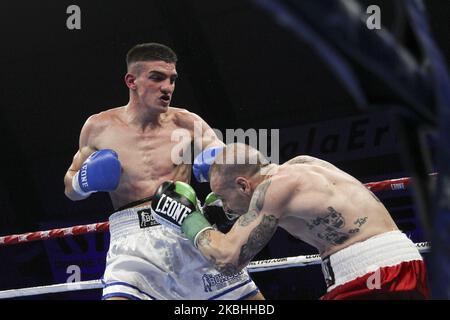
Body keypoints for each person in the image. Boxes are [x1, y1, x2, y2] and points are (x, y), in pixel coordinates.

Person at [63, 43, 263, 300]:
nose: (167, 87)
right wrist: (83, 181)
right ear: (131, 80)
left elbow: (229, 165)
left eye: (172, 79)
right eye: (157, 78)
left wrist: (217, 166)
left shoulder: (187, 122)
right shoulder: (99, 127)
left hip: (190, 229)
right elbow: (70, 189)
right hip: (132, 242)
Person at [153, 143, 430, 299]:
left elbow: (228, 259)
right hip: (389, 264)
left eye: (224, 198)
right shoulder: (302, 164)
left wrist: (188, 218)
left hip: (374, 274)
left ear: (243, 185)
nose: (224, 206)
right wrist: (227, 212)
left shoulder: (272, 189)